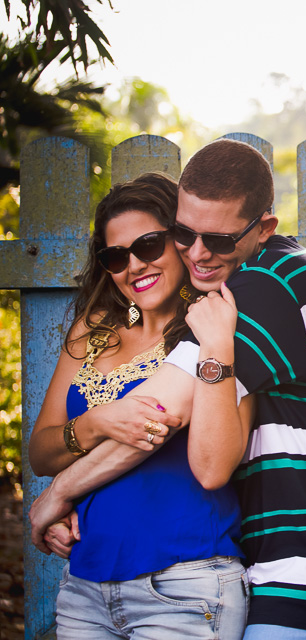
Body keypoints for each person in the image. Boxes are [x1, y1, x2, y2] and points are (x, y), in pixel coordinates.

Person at [30, 140, 306, 640]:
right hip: (267, 563)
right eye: (184, 234)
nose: (197, 253)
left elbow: (165, 420)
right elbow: (55, 444)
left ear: (263, 229)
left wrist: (58, 494)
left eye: (216, 239)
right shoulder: (251, 287)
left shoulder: (262, 290)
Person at [27, 172, 253, 639]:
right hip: (84, 587)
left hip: (186, 586)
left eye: (148, 245)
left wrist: (60, 494)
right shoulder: (93, 331)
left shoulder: (219, 327)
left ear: (181, 242)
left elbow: (219, 459)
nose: (133, 265)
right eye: (115, 256)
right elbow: (41, 453)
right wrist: (97, 422)